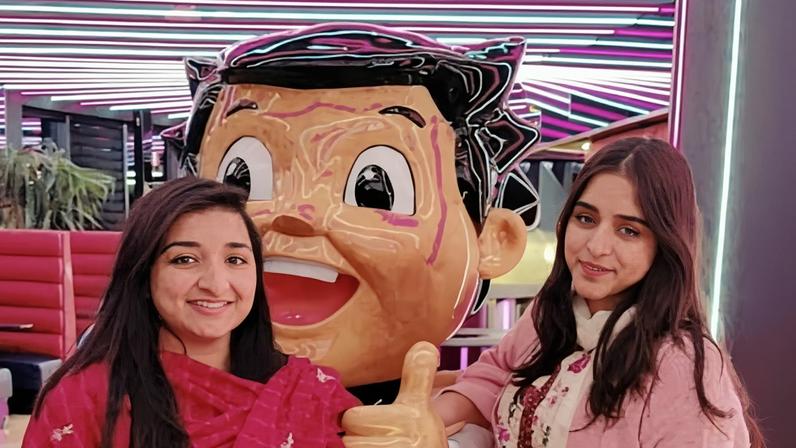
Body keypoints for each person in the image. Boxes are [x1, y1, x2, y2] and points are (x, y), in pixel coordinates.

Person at [161, 22, 539, 405]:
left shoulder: (499, 414)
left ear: (493, 240)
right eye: (241, 182)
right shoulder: (128, 395)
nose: (297, 213)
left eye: (374, 189)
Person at [341, 138, 764, 447]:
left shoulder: (682, 362)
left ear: (665, 245)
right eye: (586, 219)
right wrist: (424, 421)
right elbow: (494, 375)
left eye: (628, 230)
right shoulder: (554, 312)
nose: (597, 246)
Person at [23, 177, 358, 447]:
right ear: (143, 274)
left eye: (235, 260)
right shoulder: (82, 399)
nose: (216, 284)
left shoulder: (311, 395)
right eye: (185, 259)